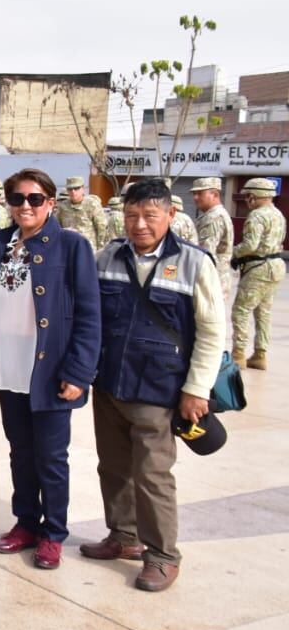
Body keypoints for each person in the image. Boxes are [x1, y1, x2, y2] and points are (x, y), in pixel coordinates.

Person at [83, 178, 224, 592]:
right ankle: (123, 536)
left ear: (170, 215)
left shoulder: (195, 263)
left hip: (159, 390)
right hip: (109, 383)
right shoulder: (107, 256)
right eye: (131, 215)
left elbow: (213, 332)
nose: (139, 224)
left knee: (152, 474)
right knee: (112, 466)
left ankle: (162, 555)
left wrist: (196, 389)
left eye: (149, 215)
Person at [0, 169, 100, 570]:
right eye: (17, 199)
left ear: (51, 203)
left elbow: (89, 314)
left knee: (51, 458)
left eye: (35, 199)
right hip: (8, 367)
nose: (26, 206)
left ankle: (53, 533)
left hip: (49, 371)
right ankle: (25, 524)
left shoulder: (71, 245)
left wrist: (79, 372)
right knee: (21, 454)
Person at [230, 177, 286, 370]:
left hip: (258, 267)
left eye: (248, 195)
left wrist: (234, 252)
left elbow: (250, 245)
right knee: (264, 312)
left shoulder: (256, 216)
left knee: (241, 311)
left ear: (255, 196)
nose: (247, 199)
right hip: (276, 265)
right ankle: (260, 354)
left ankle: (238, 354)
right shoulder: (278, 214)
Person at [191, 177, 234, 300]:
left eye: (200, 193)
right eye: (194, 194)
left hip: (209, 281)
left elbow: (205, 254)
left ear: (214, 194)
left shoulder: (213, 218)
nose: (195, 198)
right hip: (214, 279)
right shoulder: (213, 215)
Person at [56, 175, 107, 249]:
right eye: (70, 189)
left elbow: (101, 228)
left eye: (76, 188)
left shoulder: (92, 204)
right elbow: (57, 228)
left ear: (83, 189)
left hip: (88, 248)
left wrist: (101, 248)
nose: (73, 192)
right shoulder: (62, 207)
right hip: (68, 248)